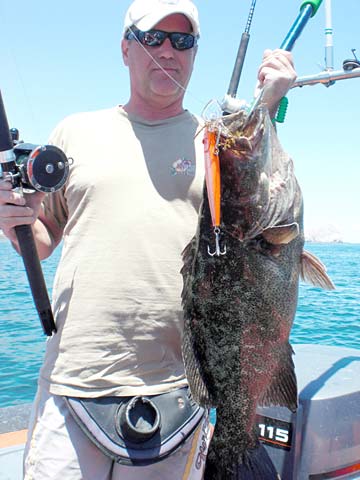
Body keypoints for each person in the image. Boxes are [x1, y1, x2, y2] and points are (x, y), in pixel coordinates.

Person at [0, 0, 297, 478]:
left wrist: (272, 97)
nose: (168, 51)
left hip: (182, 386)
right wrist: (15, 217)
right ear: (125, 49)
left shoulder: (216, 143)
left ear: (195, 53)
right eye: (153, 37)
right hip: (75, 380)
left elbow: (257, 188)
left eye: (183, 41)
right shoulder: (75, 132)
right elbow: (39, 241)